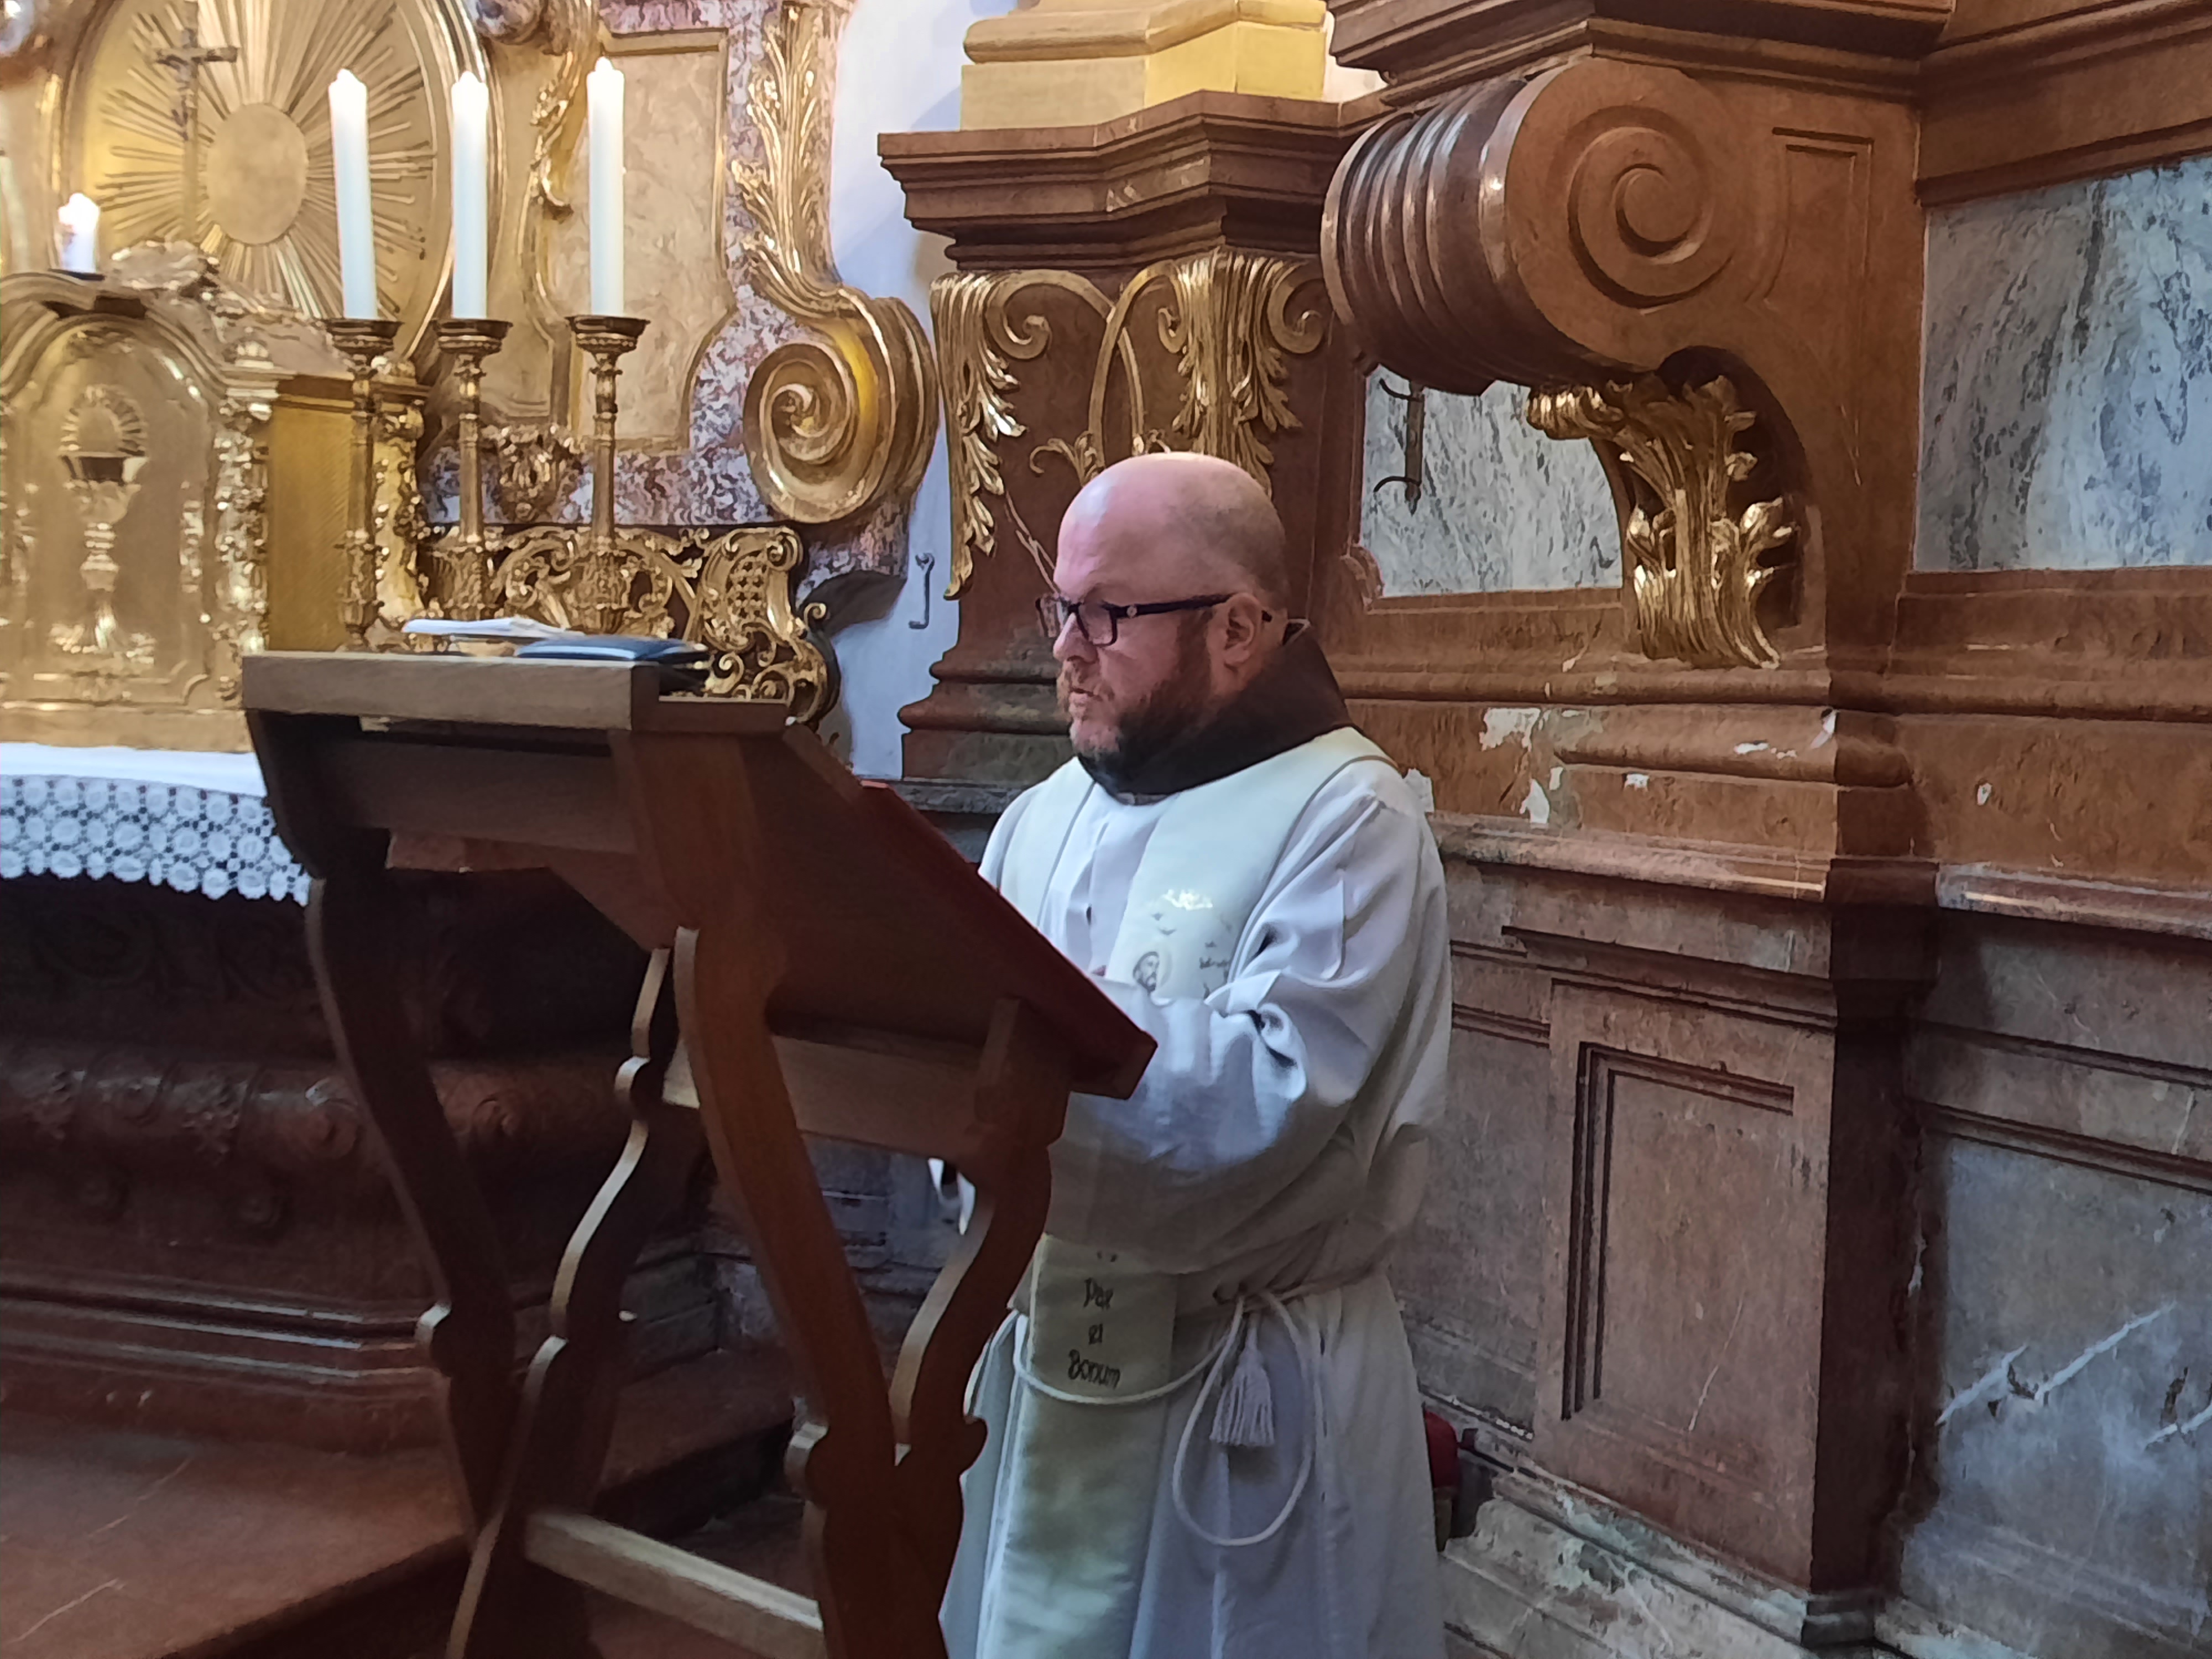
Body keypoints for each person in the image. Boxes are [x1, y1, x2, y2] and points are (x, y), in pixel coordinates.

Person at [943, 451, 1451, 1659]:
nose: (1066, 649)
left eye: (1107, 615)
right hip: (1052, 1357)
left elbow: (1265, 1101)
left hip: (1236, 1396)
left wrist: (1003, 1060)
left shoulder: (1350, 817)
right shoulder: (1044, 814)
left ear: (1236, 628)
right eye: (1061, 607)